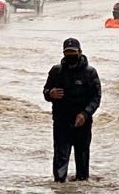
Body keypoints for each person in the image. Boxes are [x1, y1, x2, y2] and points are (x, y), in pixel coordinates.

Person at [43, 37, 102, 182]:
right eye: (67, 52)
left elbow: (96, 97)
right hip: (61, 122)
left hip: (82, 123)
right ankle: (59, 191)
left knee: (82, 162)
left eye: (73, 52)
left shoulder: (90, 73)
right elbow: (45, 91)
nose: (70, 55)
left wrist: (85, 113)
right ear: (63, 53)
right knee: (60, 158)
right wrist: (50, 94)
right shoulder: (56, 71)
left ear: (80, 52)